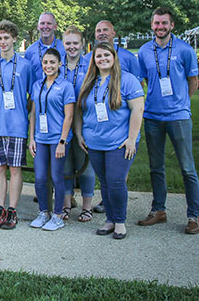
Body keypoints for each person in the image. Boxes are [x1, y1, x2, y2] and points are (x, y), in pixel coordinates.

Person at [137, 7, 199, 234]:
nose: (160, 27)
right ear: (152, 25)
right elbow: (143, 81)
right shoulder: (145, 51)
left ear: (172, 25)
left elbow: (193, 81)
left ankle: (194, 215)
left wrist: (182, 102)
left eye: (164, 23)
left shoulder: (185, 50)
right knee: (156, 167)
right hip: (153, 117)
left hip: (179, 117)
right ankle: (159, 211)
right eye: (156, 23)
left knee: (187, 168)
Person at [74, 43, 144, 239]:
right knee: (104, 182)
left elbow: (137, 110)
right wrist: (79, 135)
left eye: (106, 55)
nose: (102, 59)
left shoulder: (127, 80)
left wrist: (131, 139)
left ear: (114, 57)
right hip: (95, 142)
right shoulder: (88, 82)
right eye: (98, 56)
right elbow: (79, 110)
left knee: (116, 181)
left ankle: (120, 221)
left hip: (120, 142)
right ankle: (110, 220)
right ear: (93, 60)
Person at [0, 20, 33, 229]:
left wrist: (21, 109)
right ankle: (0, 209)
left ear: (14, 39)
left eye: (6, 38)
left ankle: (13, 210)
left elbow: (32, 96)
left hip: (18, 125)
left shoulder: (25, 65)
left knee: (15, 168)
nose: (2, 42)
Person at [27, 48, 75, 231]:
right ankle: (43, 212)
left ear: (59, 64)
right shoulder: (37, 85)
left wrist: (62, 141)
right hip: (40, 137)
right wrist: (31, 138)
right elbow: (33, 113)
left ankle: (57, 215)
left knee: (56, 176)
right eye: (46, 62)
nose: (49, 66)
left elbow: (69, 116)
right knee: (39, 177)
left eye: (52, 62)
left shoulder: (65, 86)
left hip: (57, 138)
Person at [61, 26, 95, 222]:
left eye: (75, 43)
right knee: (65, 166)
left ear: (82, 44)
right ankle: (66, 206)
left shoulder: (91, 66)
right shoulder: (57, 66)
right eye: (68, 43)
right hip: (63, 124)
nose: (72, 47)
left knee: (85, 166)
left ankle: (87, 208)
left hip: (85, 123)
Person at [24, 13, 67, 83]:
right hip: (38, 92)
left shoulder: (64, 49)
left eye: (49, 23)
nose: (45, 26)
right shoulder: (30, 51)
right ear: (38, 26)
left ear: (55, 27)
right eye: (42, 23)